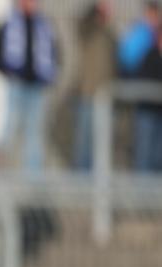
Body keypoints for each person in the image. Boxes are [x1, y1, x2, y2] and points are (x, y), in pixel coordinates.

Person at [0, 0, 59, 174]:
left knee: (34, 134)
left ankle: (32, 178)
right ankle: (1, 171)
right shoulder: (9, 24)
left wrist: (49, 76)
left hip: (36, 88)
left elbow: (55, 53)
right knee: (9, 129)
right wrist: (6, 71)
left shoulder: (44, 26)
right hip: (16, 85)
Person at [72, 1, 116, 172]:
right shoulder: (88, 30)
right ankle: (81, 184)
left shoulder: (109, 34)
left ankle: (97, 185)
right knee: (83, 143)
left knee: (101, 145)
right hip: (88, 94)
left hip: (105, 98)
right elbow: (81, 23)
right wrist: (96, 9)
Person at [134, 27, 162, 172]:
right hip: (148, 112)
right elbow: (144, 80)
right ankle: (141, 192)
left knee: (158, 156)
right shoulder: (150, 56)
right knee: (145, 154)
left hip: (159, 113)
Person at [119, 1, 159, 77]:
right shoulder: (144, 32)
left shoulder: (142, 30)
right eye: (154, 15)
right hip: (135, 73)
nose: (156, 20)